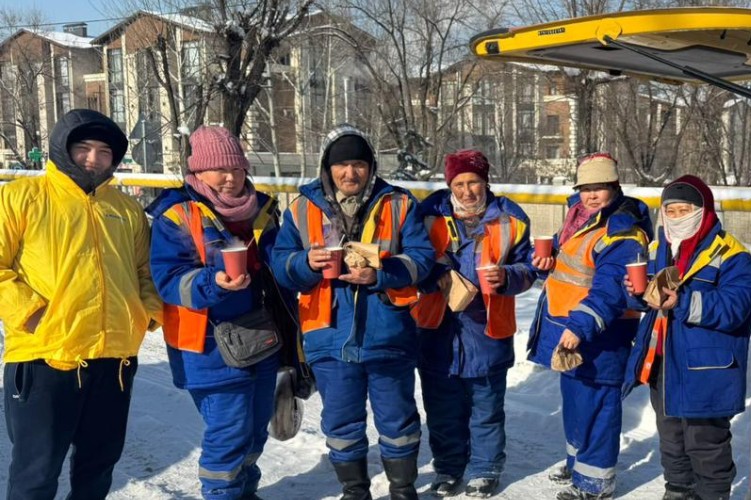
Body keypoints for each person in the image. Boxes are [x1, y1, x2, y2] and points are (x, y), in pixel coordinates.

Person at [0, 109, 163, 499]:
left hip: (114, 362)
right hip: (46, 359)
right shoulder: (22, 197)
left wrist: (145, 313)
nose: (94, 158)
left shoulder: (125, 210)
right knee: (36, 473)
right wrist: (31, 313)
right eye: (83, 148)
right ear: (63, 148)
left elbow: (146, 271)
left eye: (104, 151)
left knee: (98, 469)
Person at [272, 124, 435, 500]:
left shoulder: (400, 203)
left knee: (398, 420)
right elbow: (280, 264)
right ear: (327, 168)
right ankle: (354, 490)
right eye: (342, 165)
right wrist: (305, 263)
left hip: (388, 331)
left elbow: (423, 259)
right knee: (341, 422)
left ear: (371, 166)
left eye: (359, 164)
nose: (351, 173)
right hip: (327, 334)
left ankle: (402, 489)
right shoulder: (301, 208)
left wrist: (381, 274)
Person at [147, 126, 294, 499]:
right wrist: (213, 282)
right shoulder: (178, 214)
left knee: (255, 433)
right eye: (219, 170)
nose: (230, 178)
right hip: (209, 347)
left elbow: (280, 269)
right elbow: (168, 280)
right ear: (198, 172)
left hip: (260, 339)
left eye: (237, 169)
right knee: (228, 437)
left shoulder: (262, 209)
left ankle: (245, 493)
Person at [622, 176, 751, 500]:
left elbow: (735, 307)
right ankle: (678, 492)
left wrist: (681, 302)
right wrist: (636, 294)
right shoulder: (658, 248)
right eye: (671, 210)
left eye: (686, 210)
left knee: (706, 445)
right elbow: (650, 301)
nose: (677, 217)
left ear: (704, 211)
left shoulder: (731, 254)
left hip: (707, 369)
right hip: (663, 363)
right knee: (671, 441)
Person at [412, 150, 538, 498]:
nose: (468, 191)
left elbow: (529, 269)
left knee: (486, 408)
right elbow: (411, 262)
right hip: (437, 328)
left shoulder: (511, 218)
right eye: (460, 183)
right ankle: (448, 468)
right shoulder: (427, 214)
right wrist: (434, 275)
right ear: (449, 184)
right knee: (442, 409)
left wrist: (507, 276)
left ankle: (485, 468)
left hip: (488, 328)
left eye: (474, 182)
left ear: (486, 182)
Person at [529, 153, 652, 500]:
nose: (591, 195)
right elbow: (563, 260)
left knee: (598, 404)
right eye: (585, 188)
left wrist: (580, 327)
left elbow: (610, 289)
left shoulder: (622, 232)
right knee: (576, 401)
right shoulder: (579, 220)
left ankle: (595, 482)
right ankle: (578, 461)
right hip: (572, 331)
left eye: (600, 187)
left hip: (601, 334)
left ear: (614, 186)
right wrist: (541, 261)